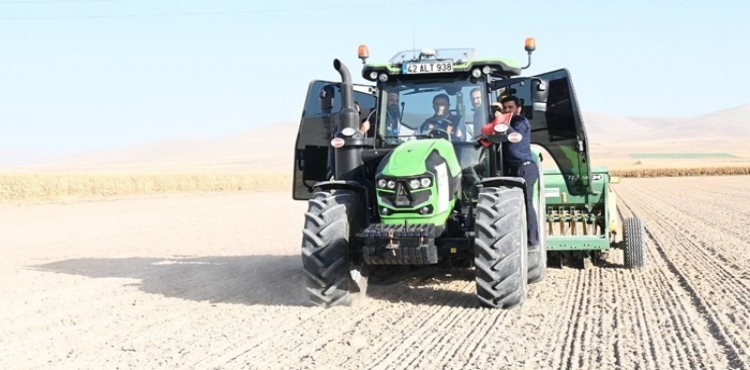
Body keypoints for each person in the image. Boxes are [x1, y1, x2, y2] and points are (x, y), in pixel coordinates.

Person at [478, 96, 540, 247]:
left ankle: (532, 241)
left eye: (510, 107)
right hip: (510, 169)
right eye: (504, 108)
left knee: (526, 203)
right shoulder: (504, 123)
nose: (507, 110)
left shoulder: (520, 121)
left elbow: (515, 137)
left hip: (524, 168)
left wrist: (501, 118)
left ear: (518, 108)